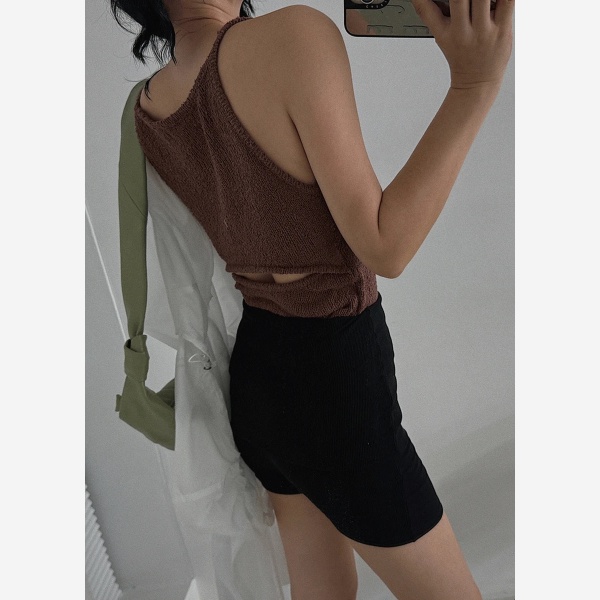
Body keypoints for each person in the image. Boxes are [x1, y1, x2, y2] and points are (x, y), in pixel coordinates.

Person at [110, 1, 514, 598]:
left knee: (321, 591)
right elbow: (386, 245)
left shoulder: (148, 107)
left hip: (258, 379)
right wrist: (474, 85)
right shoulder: (292, 37)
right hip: (335, 382)